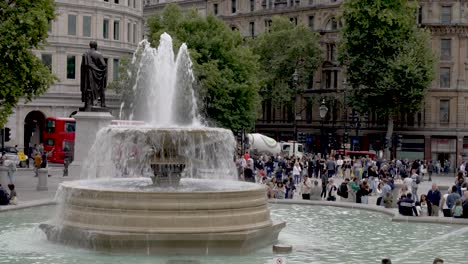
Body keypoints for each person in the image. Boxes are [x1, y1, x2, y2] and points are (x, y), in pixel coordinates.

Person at [81, 41, 108, 109]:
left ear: (90, 46)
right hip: (96, 76)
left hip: (87, 77)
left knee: (88, 89)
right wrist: (99, 70)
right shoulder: (98, 54)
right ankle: (102, 103)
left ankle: (88, 104)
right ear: (96, 46)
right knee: (101, 88)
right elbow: (104, 65)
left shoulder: (85, 54)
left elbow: (83, 67)